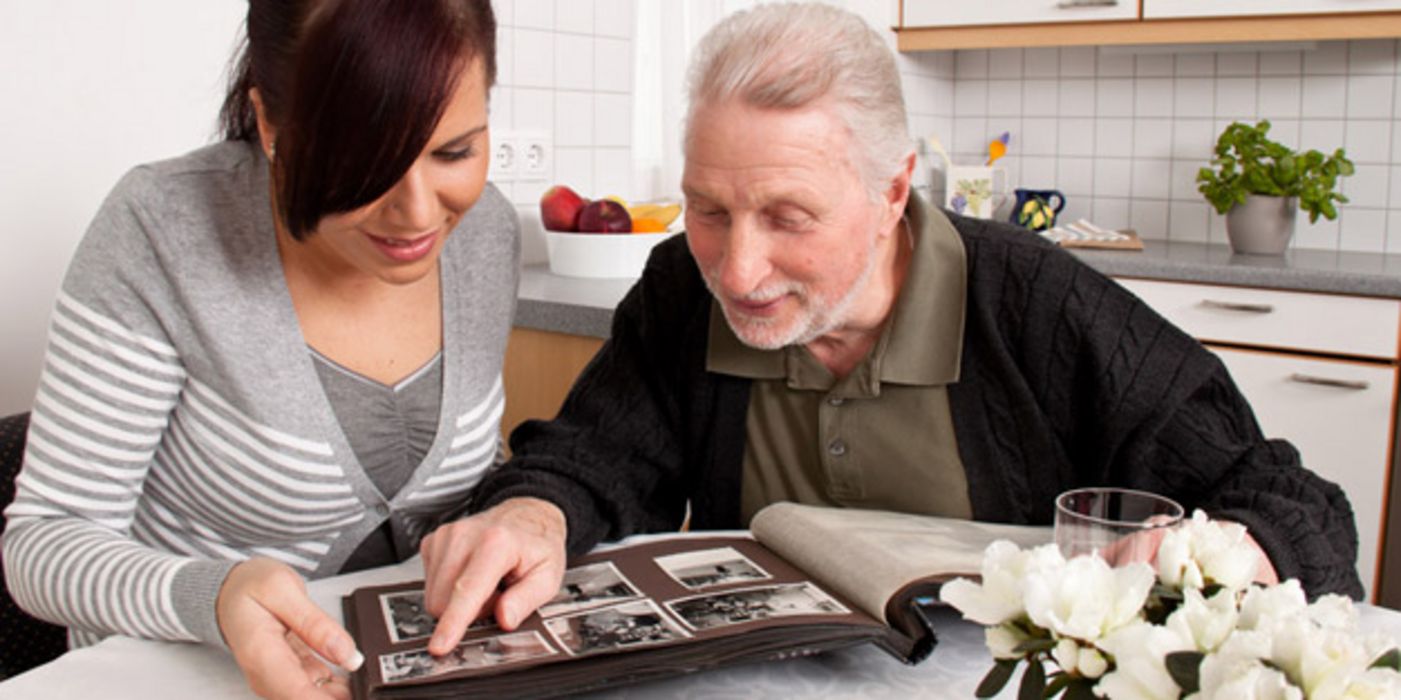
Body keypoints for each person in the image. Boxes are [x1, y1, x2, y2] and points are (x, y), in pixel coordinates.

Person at [417, 1, 1363, 657]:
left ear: (891, 191)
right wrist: (530, 513)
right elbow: (596, 458)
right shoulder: (681, 288)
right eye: (708, 210)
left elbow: (1290, 501)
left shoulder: (1038, 306)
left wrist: (1244, 547)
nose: (737, 272)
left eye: (789, 218)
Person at [2, 1, 515, 698]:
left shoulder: (483, 233)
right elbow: (43, 546)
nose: (419, 213)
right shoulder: (163, 227)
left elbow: (468, 467)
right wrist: (213, 597)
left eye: (454, 151)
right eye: (365, 163)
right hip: (187, 676)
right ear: (270, 124)